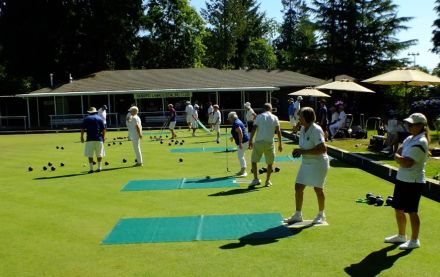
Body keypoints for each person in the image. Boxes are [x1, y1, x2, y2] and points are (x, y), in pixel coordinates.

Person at [384, 113, 429, 250]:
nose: (408, 126)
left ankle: (414, 240)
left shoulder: (421, 142)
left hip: (414, 181)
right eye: (408, 124)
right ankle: (401, 235)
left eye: (411, 124)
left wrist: (397, 158)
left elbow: (407, 162)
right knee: (398, 208)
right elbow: (399, 151)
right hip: (402, 178)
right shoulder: (409, 138)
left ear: (421, 126)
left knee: (412, 211)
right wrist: (399, 157)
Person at [284, 107, 330, 225]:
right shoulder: (303, 128)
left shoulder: (316, 129)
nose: (299, 118)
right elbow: (305, 146)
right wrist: (299, 151)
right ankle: (298, 215)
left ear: (306, 117)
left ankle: (321, 215)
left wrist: (302, 152)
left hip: (319, 163)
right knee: (298, 187)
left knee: (318, 189)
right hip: (306, 163)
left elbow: (322, 148)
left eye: (300, 116)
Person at [248, 103, 283, 189]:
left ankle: (256, 179)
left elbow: (254, 129)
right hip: (269, 143)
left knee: (254, 161)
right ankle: (267, 181)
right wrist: (280, 144)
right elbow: (278, 131)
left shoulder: (259, 117)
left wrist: (250, 140)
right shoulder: (275, 117)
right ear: (270, 109)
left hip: (259, 142)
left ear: (264, 109)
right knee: (270, 163)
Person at [80, 107, 106, 173]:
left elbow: (83, 129)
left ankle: (91, 169)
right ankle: (99, 168)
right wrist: (103, 137)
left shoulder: (86, 119)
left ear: (89, 112)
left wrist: (82, 137)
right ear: (95, 112)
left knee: (90, 154)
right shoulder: (99, 118)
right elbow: (104, 129)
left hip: (89, 139)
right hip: (99, 138)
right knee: (99, 154)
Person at [228, 111, 250, 177]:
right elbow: (239, 131)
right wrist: (233, 136)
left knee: (240, 156)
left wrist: (240, 142)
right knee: (241, 156)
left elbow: (240, 132)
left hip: (243, 142)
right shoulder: (238, 121)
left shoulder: (236, 123)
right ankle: (242, 170)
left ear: (232, 118)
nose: (229, 120)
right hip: (245, 141)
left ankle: (243, 171)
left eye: (229, 119)